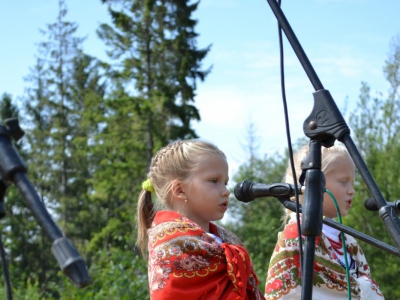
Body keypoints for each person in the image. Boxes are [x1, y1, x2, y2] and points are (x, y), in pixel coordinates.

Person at [137, 139, 265, 300]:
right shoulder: (171, 243)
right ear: (180, 190)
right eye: (214, 181)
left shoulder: (228, 240)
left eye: (225, 183)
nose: (226, 191)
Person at [264, 143, 384, 299]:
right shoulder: (296, 237)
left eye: (352, 183)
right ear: (311, 183)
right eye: (343, 181)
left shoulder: (350, 243)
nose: (351, 190)